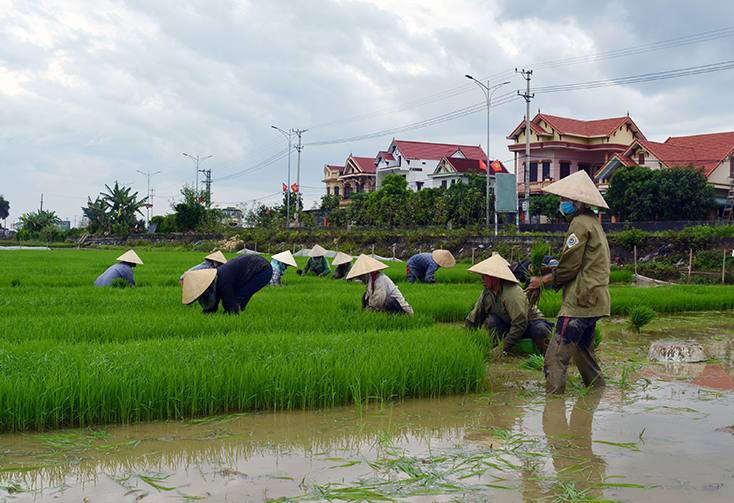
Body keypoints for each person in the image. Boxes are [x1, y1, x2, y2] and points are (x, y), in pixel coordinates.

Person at [526, 170, 611, 394]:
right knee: (584, 355)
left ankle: (554, 411)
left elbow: (570, 267)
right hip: (595, 300)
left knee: (554, 359)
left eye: (564, 199)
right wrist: (548, 269)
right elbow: (582, 263)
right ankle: (596, 395)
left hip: (579, 302)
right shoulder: (593, 222)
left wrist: (542, 280)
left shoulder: (579, 224)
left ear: (578, 201)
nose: (561, 203)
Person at [464, 254, 553, 358]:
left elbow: (520, 323)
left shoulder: (511, 292)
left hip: (529, 326)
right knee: (492, 321)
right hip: (510, 326)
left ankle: (547, 357)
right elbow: (475, 317)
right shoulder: (487, 293)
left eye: (485, 276)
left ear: (495, 277)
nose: (482, 279)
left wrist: (502, 347)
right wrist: (463, 337)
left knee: (541, 329)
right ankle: (500, 352)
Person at [182, 254, 272, 314]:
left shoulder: (222, 280)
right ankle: (239, 313)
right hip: (256, 266)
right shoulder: (216, 279)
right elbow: (214, 300)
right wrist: (207, 312)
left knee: (236, 299)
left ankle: (236, 318)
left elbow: (229, 301)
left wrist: (229, 312)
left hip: (262, 270)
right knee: (237, 297)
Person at [346, 254, 413, 315]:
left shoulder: (381, 280)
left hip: (403, 311)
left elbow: (378, 302)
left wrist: (369, 312)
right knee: (365, 296)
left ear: (366, 274)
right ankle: (366, 316)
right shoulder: (371, 283)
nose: (360, 279)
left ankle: (395, 320)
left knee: (389, 301)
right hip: (386, 308)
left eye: (361, 277)